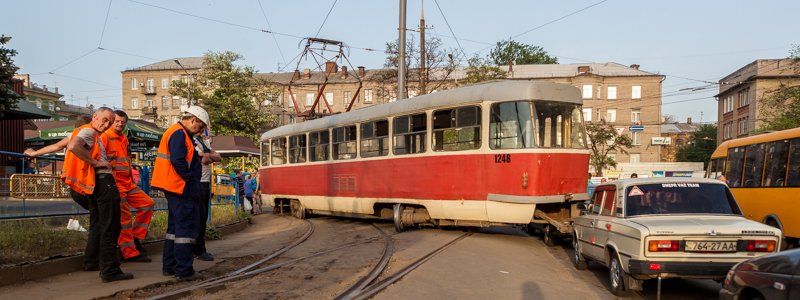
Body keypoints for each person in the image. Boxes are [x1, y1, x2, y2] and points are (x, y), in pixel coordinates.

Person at [62, 107, 133, 282]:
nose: (107, 124)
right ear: (94, 117)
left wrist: (33, 153)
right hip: (104, 184)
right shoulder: (89, 132)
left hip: (96, 185)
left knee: (101, 225)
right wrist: (95, 162)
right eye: (105, 120)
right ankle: (110, 270)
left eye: (110, 121)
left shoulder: (90, 133)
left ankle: (93, 262)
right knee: (110, 226)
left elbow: (63, 145)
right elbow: (73, 146)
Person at [151, 106, 209, 281]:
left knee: (174, 229)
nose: (200, 132)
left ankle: (169, 267)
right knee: (185, 228)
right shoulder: (179, 134)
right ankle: (184, 270)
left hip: (173, 186)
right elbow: (178, 160)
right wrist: (190, 179)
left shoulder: (177, 132)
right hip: (180, 187)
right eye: (200, 127)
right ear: (193, 120)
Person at [100, 110, 154, 263]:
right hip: (116, 184)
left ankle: (135, 239)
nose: (120, 124)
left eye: (123, 122)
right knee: (125, 219)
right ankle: (129, 252)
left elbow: (125, 162)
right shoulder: (105, 137)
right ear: (112, 121)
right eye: (117, 121)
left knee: (148, 204)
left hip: (128, 183)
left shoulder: (123, 138)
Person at [26, 115, 94, 210]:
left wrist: (35, 153)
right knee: (96, 209)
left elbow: (57, 146)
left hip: (78, 178)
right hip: (88, 178)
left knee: (93, 208)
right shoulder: (95, 135)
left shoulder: (76, 135)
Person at [194, 133, 220, 262]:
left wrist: (209, 155)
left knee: (202, 218)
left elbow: (218, 157)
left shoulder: (203, 143)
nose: (204, 130)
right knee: (198, 218)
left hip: (204, 183)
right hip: (198, 183)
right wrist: (210, 156)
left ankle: (200, 249)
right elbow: (204, 160)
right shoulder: (192, 141)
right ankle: (198, 250)